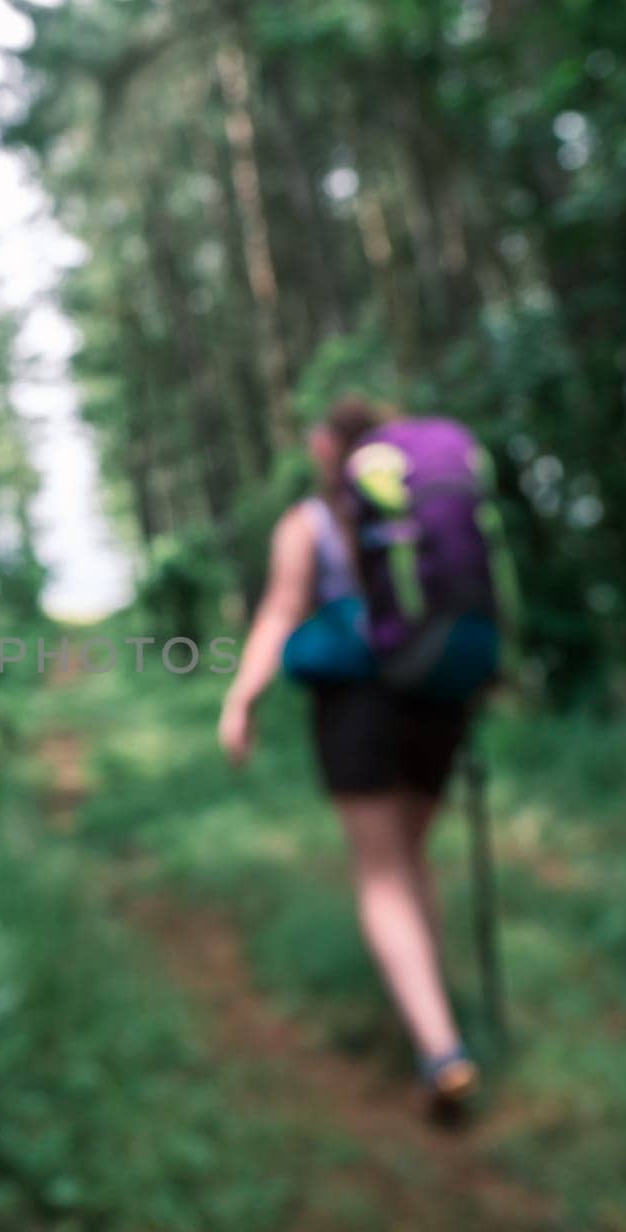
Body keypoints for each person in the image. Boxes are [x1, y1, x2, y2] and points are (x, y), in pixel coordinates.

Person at [217, 396, 480, 1114]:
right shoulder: (423, 510)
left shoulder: (309, 523)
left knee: (382, 871)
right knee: (413, 854)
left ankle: (440, 1046)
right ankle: (439, 1008)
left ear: (328, 448)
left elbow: (280, 610)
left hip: (357, 705)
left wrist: (242, 697)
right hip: (439, 694)